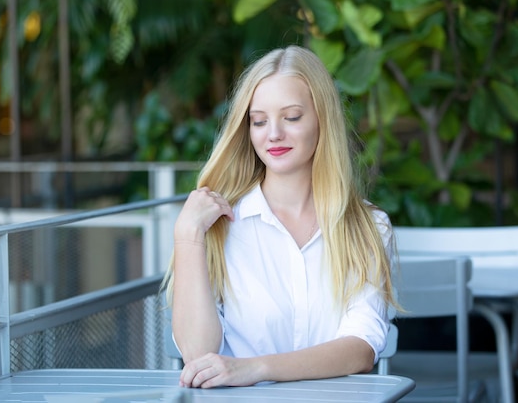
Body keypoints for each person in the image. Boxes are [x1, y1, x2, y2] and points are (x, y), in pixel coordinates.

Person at [162, 45, 397, 389]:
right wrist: (187, 236)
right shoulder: (218, 227)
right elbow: (199, 357)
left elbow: (360, 349)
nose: (273, 133)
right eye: (259, 121)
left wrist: (255, 368)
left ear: (322, 120)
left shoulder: (370, 228)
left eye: (291, 117)